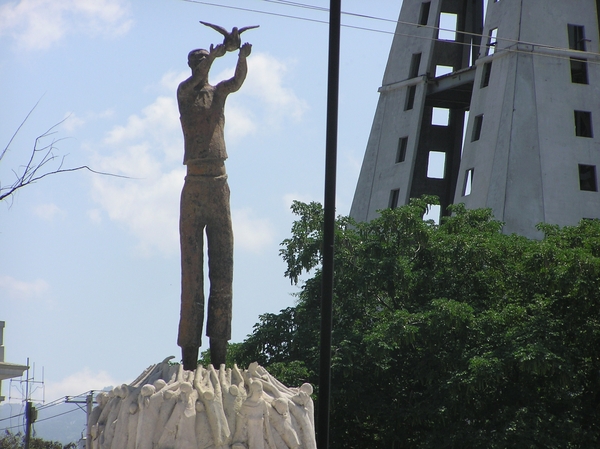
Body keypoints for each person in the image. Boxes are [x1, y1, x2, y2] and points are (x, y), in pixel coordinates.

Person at [177, 40, 252, 370]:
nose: (205, 65)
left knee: (224, 270)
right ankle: (190, 360)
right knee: (191, 275)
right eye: (202, 61)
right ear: (194, 65)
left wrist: (242, 57)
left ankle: (220, 358)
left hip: (219, 185)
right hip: (194, 185)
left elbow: (236, 82)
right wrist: (221, 51)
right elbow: (201, 76)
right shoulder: (185, 93)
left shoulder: (218, 93)